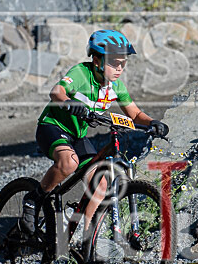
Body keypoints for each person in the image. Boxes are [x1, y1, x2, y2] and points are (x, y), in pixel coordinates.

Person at [19, 29, 169, 235]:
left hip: (77, 135)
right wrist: (69, 103)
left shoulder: (116, 86)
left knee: (100, 185)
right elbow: (56, 92)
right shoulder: (81, 73)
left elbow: (134, 113)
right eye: (114, 63)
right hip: (52, 127)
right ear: (97, 61)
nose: (119, 68)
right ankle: (34, 198)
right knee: (69, 163)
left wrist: (153, 122)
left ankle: (87, 239)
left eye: (123, 63)